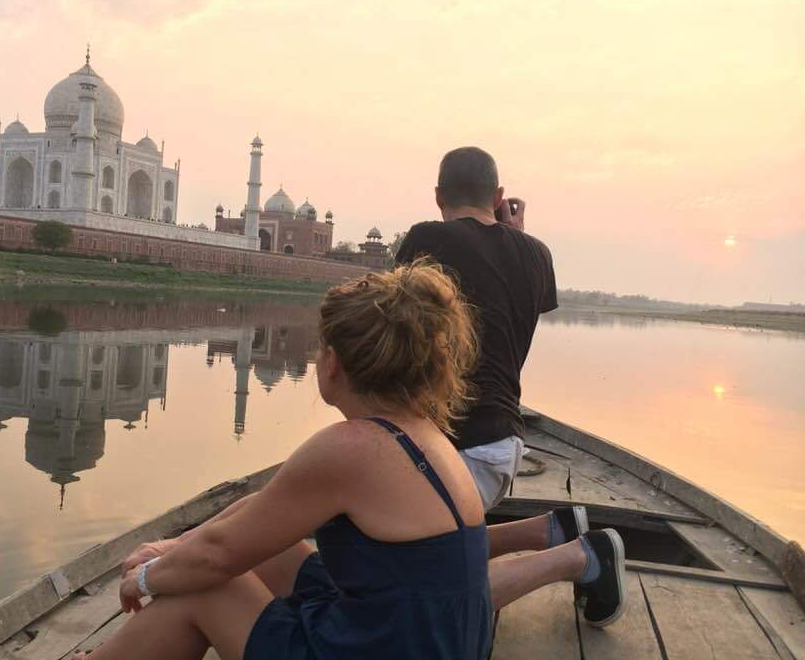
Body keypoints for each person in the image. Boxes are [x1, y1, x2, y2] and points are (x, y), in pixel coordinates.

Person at [74, 262, 624, 660]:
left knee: (202, 587)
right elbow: (260, 513)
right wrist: (172, 547)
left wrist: (147, 576)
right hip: (429, 642)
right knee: (269, 551)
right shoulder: (422, 435)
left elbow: (217, 558)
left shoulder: (351, 449)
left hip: (389, 648)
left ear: (333, 364)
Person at [396, 147, 557, 510]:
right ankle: (549, 533)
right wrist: (517, 238)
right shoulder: (538, 254)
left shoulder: (426, 240)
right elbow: (504, 304)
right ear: (499, 197)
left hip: (450, 445)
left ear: (438, 196)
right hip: (503, 443)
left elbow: (391, 327)